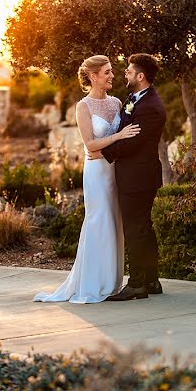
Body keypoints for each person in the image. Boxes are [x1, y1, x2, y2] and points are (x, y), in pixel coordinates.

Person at [33, 55, 141, 303]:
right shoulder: (83, 107)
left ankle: (111, 283)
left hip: (116, 172)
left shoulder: (116, 103)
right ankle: (92, 284)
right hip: (97, 173)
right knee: (98, 222)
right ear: (93, 76)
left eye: (112, 71)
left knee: (115, 225)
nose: (112, 76)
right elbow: (91, 146)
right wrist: (119, 136)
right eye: (107, 72)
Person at [96, 53, 167, 301]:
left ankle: (137, 283)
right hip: (138, 176)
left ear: (140, 76)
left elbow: (133, 143)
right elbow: (125, 132)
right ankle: (151, 280)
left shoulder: (150, 107)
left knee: (135, 230)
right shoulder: (136, 99)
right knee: (144, 228)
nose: (124, 73)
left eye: (128, 70)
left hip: (138, 177)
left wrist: (102, 151)